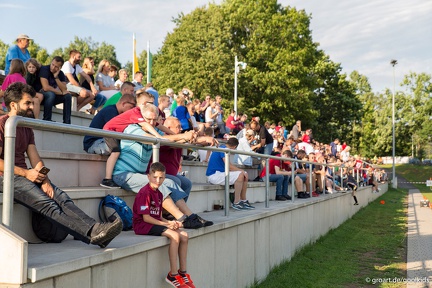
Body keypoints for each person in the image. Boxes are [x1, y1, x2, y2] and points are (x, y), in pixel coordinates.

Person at [0, 82, 122, 248]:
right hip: (6, 177)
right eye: (27, 103)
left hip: (24, 175)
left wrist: (45, 180)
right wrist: (26, 174)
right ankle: (93, 233)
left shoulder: (25, 126)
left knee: (61, 197)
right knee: (48, 204)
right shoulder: (2, 124)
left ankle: (97, 231)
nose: (32, 106)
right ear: (13, 105)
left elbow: (35, 159)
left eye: (32, 102)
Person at [111, 104, 211, 228]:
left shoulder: (154, 129)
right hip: (123, 174)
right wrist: (183, 136)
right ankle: (184, 219)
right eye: (148, 120)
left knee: (178, 182)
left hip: (139, 174)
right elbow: (158, 140)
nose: (152, 123)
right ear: (141, 117)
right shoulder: (132, 128)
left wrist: (193, 139)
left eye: (154, 120)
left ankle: (187, 216)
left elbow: (171, 140)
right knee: (165, 182)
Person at [133, 162, 196, 288]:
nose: (158, 180)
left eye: (161, 177)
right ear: (149, 176)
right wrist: (165, 225)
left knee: (184, 235)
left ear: (165, 177)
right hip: (143, 225)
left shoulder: (159, 193)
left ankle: (182, 273)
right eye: (155, 177)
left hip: (155, 222)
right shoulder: (145, 192)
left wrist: (170, 222)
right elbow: (146, 218)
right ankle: (172, 275)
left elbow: (158, 215)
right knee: (175, 236)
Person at [206, 137, 255, 211]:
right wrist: (241, 171)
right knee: (241, 174)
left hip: (219, 174)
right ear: (235, 147)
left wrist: (242, 171)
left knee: (245, 174)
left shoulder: (224, 148)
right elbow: (228, 166)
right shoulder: (223, 149)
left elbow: (228, 166)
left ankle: (243, 200)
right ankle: (236, 202)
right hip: (214, 175)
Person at [61, 49, 106, 114]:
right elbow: (71, 79)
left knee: (92, 95)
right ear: (73, 57)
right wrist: (81, 88)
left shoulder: (77, 66)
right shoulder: (67, 64)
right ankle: (73, 106)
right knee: (84, 92)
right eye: (79, 57)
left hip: (72, 86)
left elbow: (86, 76)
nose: (80, 59)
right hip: (65, 85)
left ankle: (77, 108)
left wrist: (92, 87)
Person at [39, 56, 72, 124]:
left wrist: (56, 77)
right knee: (51, 94)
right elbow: (46, 87)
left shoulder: (61, 74)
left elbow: (64, 89)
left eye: (56, 67)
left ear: (60, 68)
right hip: (42, 95)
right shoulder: (44, 69)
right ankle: (47, 119)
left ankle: (67, 122)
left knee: (68, 96)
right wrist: (60, 92)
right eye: (52, 64)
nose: (53, 67)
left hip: (53, 97)